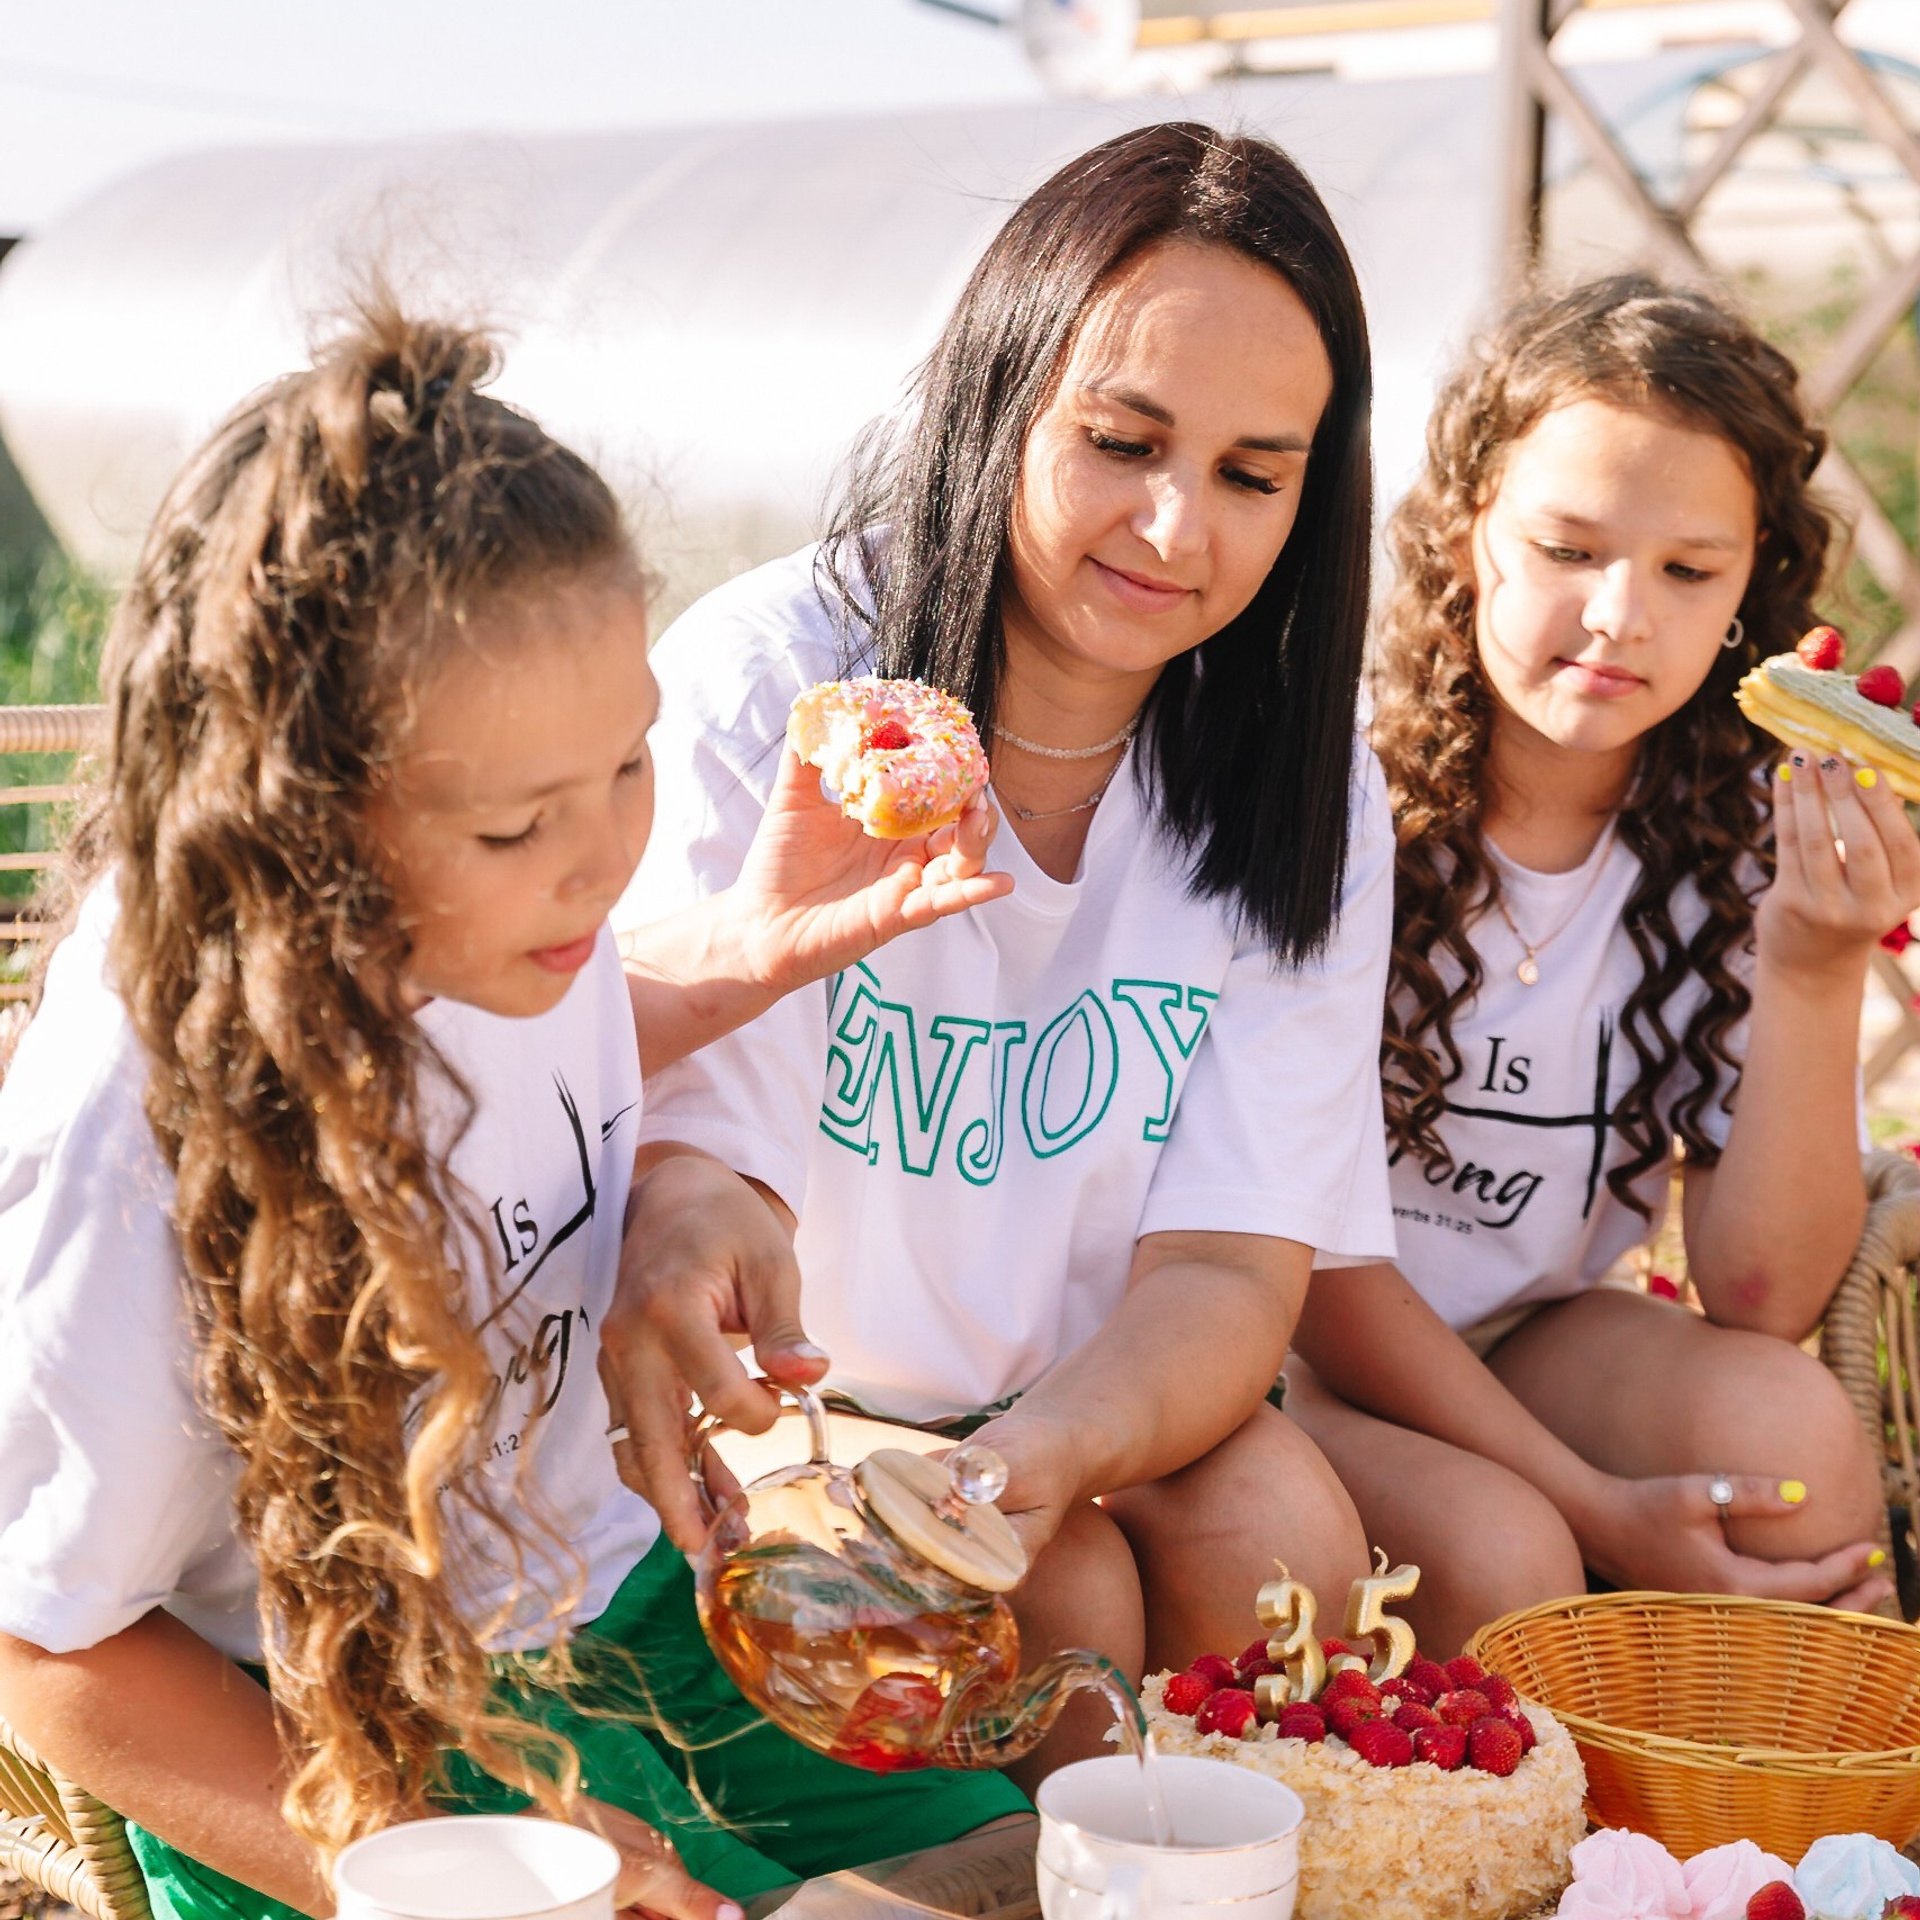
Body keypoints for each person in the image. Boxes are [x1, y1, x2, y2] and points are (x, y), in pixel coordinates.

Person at [0, 306, 1027, 1920]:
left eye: (631, 767)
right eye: (518, 825)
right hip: (339, 1748)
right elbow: (48, 1655)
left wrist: (742, 954)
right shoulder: (134, 1121)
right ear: (304, 824)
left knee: (1028, 1859)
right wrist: (427, 1859)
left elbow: (570, 1004)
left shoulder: (483, 920)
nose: (604, 859)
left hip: (627, 1618)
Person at [602, 122, 1396, 1781]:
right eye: (1122, 439)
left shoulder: (1305, 785)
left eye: (1254, 475)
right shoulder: (786, 682)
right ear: (998, 393)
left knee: (1283, 1525)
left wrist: (1037, 1455)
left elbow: (1233, 1273)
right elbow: (695, 1157)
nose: (1177, 528)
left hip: (1072, 1407)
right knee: (1075, 1607)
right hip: (798, 1424)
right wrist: (709, 1265)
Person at [1286, 274, 1909, 1653]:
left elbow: (1760, 1299)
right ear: (1464, 537)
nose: (1624, 613)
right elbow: (1317, 1266)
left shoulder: (1732, 838)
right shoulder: (1338, 805)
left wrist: (1813, 966)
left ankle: (1771, 1823)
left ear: (1751, 586)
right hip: (1286, 1349)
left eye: (1689, 570)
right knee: (1516, 1558)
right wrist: (1595, 1504)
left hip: (1541, 1332)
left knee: (1790, 1444)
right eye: (1568, 548)